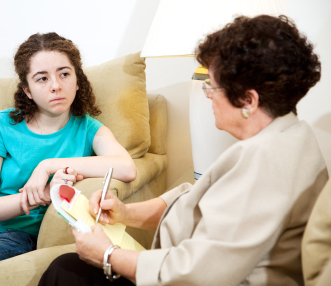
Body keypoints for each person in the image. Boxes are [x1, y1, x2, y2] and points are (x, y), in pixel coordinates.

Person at [38, 15, 328, 286]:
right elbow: (195, 202)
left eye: (212, 87)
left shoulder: (265, 161)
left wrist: (108, 255)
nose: (207, 95)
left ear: (248, 100)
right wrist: (125, 212)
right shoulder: (292, 136)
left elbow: (198, 273)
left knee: (64, 271)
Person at [0, 32, 136, 285]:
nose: (55, 85)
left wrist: (47, 166)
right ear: (27, 90)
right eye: (42, 78)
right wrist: (42, 194)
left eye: (64, 73)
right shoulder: (0, 124)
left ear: (78, 81)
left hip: (15, 236)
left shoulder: (89, 129)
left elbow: (127, 168)